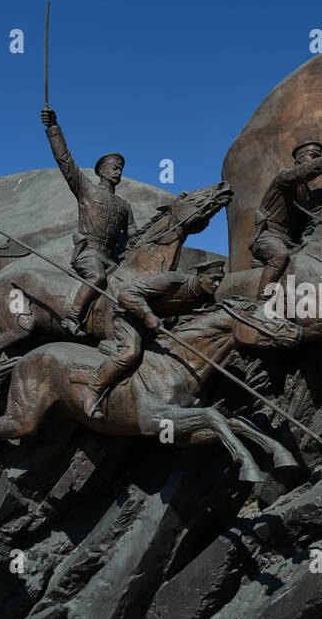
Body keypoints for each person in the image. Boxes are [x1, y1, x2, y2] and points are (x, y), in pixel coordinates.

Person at [40, 107, 136, 336]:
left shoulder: (125, 206)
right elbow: (65, 160)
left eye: (121, 169)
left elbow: (133, 236)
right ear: (102, 172)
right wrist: (53, 129)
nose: (118, 172)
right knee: (97, 277)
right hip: (88, 254)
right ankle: (73, 317)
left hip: (111, 258)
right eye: (114, 168)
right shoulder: (87, 190)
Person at [87, 260, 226, 416]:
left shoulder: (206, 298)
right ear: (201, 277)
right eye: (213, 278)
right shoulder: (172, 280)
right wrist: (147, 314)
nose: (217, 284)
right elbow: (126, 295)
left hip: (156, 324)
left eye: (220, 279)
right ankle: (93, 391)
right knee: (130, 353)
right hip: (130, 315)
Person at [249, 140, 322, 298]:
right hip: (268, 237)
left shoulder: (307, 195)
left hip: (291, 242)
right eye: (313, 156)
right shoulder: (284, 178)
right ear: (300, 159)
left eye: (318, 157)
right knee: (280, 256)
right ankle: (261, 299)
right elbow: (302, 172)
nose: (315, 159)